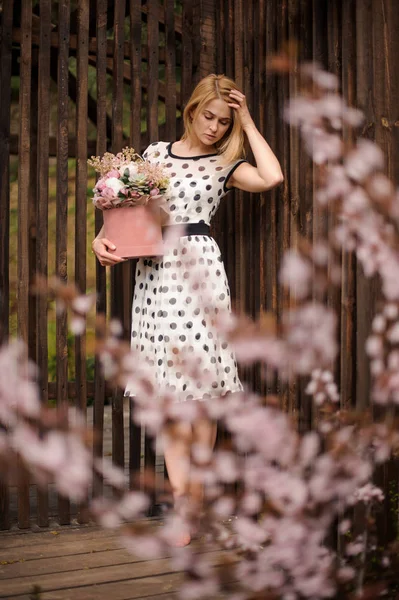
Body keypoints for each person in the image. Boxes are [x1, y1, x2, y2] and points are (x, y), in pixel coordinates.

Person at [92, 74, 283, 545]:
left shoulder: (225, 163)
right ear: (191, 110)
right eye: (208, 116)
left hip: (199, 277)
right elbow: (123, 209)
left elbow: (272, 177)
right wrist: (100, 239)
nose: (215, 127)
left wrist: (250, 123)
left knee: (202, 394)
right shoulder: (155, 155)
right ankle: (185, 502)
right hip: (155, 276)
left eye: (224, 120)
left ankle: (191, 499)